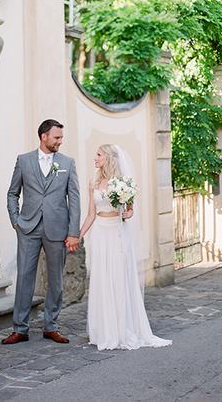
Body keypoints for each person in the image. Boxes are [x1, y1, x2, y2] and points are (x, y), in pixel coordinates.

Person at [79, 144, 172, 351]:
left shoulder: (123, 184)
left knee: (118, 278)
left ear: (109, 158)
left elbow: (130, 211)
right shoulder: (93, 183)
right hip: (101, 233)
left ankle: (122, 329)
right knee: (102, 278)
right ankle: (103, 330)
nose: (95, 158)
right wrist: (79, 235)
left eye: (98, 154)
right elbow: (91, 215)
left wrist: (126, 213)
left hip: (117, 233)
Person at [2, 119, 81, 345]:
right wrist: (16, 221)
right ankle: (20, 328)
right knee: (24, 278)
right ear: (43, 137)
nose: (60, 142)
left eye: (61, 138)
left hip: (58, 229)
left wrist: (73, 232)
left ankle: (51, 326)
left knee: (56, 280)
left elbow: (74, 199)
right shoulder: (24, 161)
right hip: (28, 228)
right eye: (56, 137)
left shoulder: (67, 163)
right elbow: (12, 193)